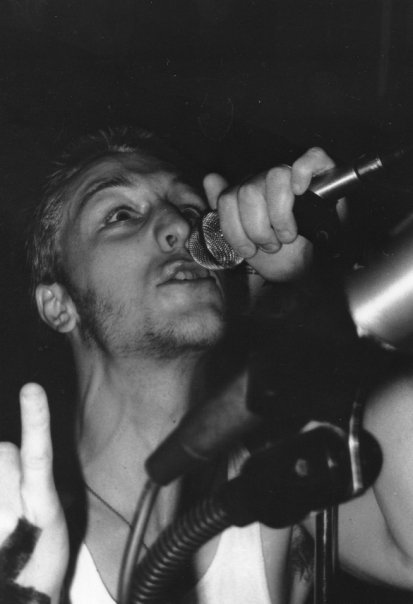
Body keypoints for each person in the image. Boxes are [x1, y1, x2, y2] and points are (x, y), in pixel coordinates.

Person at [1, 126, 413, 604]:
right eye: (119, 215)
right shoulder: (15, 521)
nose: (179, 225)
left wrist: (316, 283)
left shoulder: (279, 483)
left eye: (192, 210)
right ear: (59, 305)